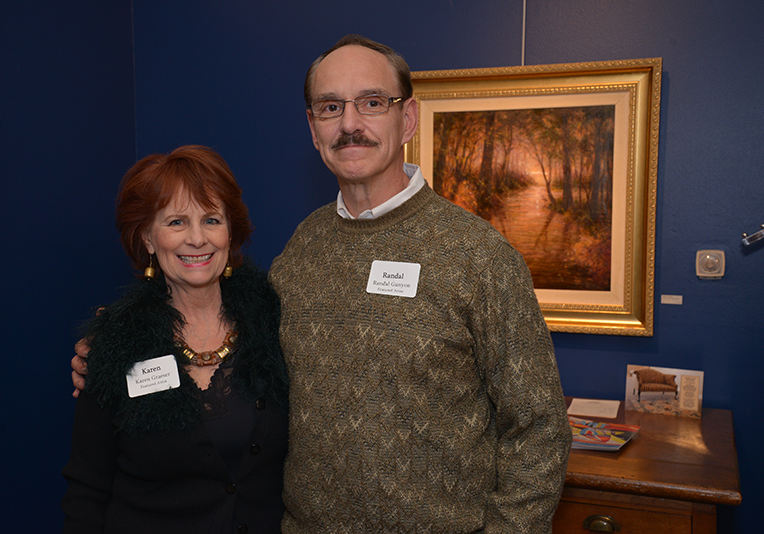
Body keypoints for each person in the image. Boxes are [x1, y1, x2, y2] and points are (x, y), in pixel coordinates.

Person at [73, 36, 571, 533]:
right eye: (331, 107)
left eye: (373, 103)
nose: (350, 124)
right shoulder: (302, 251)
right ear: (313, 129)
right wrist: (113, 348)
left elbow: (539, 427)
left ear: (409, 119)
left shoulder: (479, 257)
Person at [62, 145, 288, 534]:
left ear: (230, 232)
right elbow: (88, 488)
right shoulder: (116, 345)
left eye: (212, 219)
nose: (197, 239)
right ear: (148, 238)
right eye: (176, 223)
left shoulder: (274, 324)